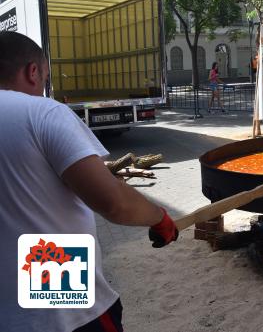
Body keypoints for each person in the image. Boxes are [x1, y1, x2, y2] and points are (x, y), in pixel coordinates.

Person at [0, 32, 178, 332]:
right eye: (45, 79)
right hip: (55, 303)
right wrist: (159, 218)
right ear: (33, 72)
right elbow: (113, 203)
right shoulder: (41, 113)